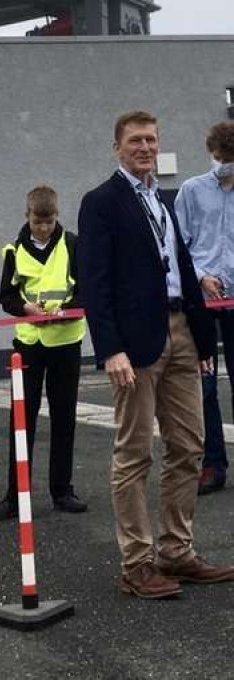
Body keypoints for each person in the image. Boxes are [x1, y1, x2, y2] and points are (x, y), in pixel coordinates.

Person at [78, 110, 234, 599]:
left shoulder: (163, 200)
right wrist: (110, 349)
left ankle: (176, 550)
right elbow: (95, 283)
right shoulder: (101, 203)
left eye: (151, 139)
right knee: (135, 453)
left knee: (190, 445)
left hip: (183, 333)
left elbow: (182, 267)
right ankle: (137, 564)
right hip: (136, 343)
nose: (145, 147)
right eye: (135, 141)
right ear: (117, 147)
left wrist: (204, 340)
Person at [0, 186, 88, 522]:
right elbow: (6, 296)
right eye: (37, 221)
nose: (43, 227)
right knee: (21, 420)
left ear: (56, 216)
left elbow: (86, 291)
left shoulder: (72, 244)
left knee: (64, 417)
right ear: (27, 216)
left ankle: (62, 490)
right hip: (28, 345)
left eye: (49, 221)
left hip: (65, 343)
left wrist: (63, 310)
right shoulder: (14, 251)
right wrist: (25, 308)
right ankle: (14, 497)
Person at [178, 120, 234, 496]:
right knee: (206, 385)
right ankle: (213, 464)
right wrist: (199, 277)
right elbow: (179, 245)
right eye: (221, 158)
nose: (225, 165)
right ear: (212, 154)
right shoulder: (191, 190)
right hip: (201, 300)